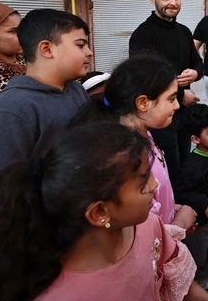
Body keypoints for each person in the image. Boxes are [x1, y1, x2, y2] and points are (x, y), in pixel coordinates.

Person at [0, 122, 208, 301]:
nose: (155, 185)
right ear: (99, 213)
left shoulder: (149, 226)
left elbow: (177, 278)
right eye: (142, 182)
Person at [0, 9, 92, 226]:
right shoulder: (12, 113)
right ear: (47, 49)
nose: (89, 52)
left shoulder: (75, 90)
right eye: (80, 45)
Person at [70, 55, 198, 236]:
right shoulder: (123, 157)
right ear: (143, 103)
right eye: (171, 99)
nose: (177, 105)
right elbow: (138, 232)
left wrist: (171, 208)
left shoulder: (145, 135)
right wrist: (181, 224)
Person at [129, 0, 204, 185]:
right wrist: (181, 95)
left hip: (183, 113)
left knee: (183, 162)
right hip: (159, 117)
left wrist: (196, 73)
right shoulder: (142, 35)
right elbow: (143, 80)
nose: (172, 2)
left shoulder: (183, 31)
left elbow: (199, 63)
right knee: (168, 169)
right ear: (152, 0)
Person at [174, 104, 208, 284]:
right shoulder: (192, 166)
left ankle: (205, 276)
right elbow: (181, 192)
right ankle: (196, 283)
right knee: (199, 253)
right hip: (200, 223)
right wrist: (204, 203)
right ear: (196, 138)